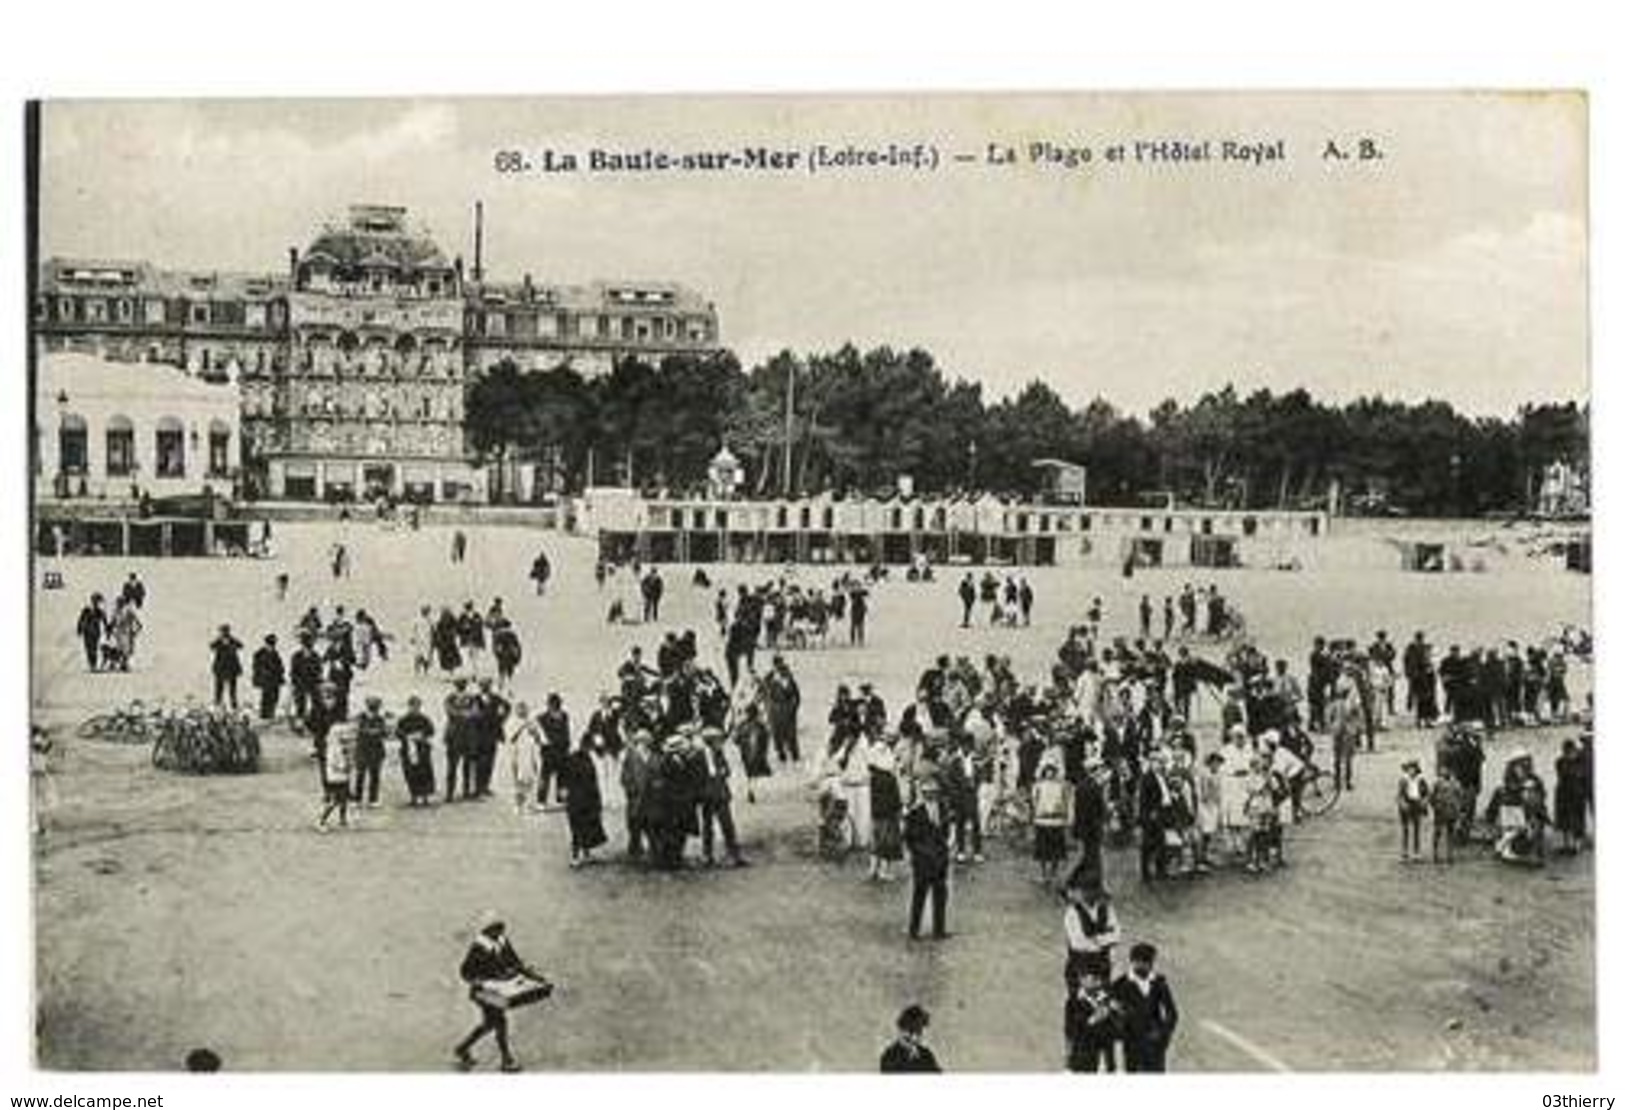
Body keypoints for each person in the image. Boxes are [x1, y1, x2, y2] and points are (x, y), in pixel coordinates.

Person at [454, 913, 551, 1073]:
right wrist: (479, 981)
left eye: (501, 927)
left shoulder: (502, 940)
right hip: (484, 992)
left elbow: (515, 962)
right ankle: (506, 1060)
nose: (500, 930)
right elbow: (465, 972)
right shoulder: (479, 948)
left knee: (490, 1023)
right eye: (496, 928)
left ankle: (463, 1047)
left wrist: (533, 977)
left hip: (501, 989)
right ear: (486, 931)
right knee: (500, 1022)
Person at [1112, 942, 1179, 1073]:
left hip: (1155, 1046)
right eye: (1138, 962)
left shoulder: (1159, 982)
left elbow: (1172, 1013)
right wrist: (1123, 1034)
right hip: (1132, 1045)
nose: (1143, 966)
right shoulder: (1120, 985)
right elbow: (1113, 1013)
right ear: (1132, 962)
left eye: (1147, 963)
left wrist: (1163, 1035)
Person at [904, 778, 952, 940]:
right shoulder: (915, 813)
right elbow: (909, 839)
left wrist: (944, 852)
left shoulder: (943, 809)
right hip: (923, 861)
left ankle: (939, 930)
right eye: (928, 793)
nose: (931, 796)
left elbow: (946, 832)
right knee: (920, 895)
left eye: (934, 792)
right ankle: (914, 930)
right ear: (923, 794)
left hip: (939, 860)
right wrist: (921, 853)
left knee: (940, 895)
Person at [698, 727, 746, 867]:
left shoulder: (719, 753)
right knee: (708, 827)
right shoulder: (699, 756)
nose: (720, 743)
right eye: (718, 740)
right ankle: (707, 855)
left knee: (727, 825)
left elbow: (727, 770)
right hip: (707, 795)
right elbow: (696, 776)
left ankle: (734, 855)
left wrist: (722, 772)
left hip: (721, 794)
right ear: (710, 741)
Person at [1063, 876, 1120, 991]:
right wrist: (1104, 937)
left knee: (1104, 1001)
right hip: (1080, 965)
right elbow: (1077, 942)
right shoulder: (1072, 913)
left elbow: (1116, 935)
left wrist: (1095, 939)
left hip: (1102, 965)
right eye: (1086, 890)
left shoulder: (1107, 909)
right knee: (1080, 1003)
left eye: (1094, 890)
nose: (1090, 894)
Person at [562, 734, 608, 866]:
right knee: (577, 829)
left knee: (588, 827)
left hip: (589, 798)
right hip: (578, 800)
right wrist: (565, 792)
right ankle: (575, 856)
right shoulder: (574, 758)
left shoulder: (589, 758)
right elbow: (566, 777)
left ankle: (586, 853)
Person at [1065, 969, 1120, 1073]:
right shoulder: (1073, 1002)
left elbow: (1117, 1031)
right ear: (1082, 979)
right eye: (1094, 978)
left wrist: (1116, 1012)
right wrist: (1093, 1020)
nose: (1098, 982)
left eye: (1100, 979)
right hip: (1083, 1057)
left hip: (1105, 1058)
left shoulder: (1106, 999)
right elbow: (1071, 1031)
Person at [868, 739, 905, 882]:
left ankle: (872, 869)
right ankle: (883, 871)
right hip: (888, 815)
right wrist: (899, 810)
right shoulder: (890, 779)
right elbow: (896, 799)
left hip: (875, 813)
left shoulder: (873, 778)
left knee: (875, 841)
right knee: (887, 843)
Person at [1032, 763, 1071, 888]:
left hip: (1056, 821)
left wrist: (1066, 817)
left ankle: (1053, 874)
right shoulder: (1038, 786)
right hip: (1042, 820)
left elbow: (1066, 802)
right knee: (1042, 850)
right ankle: (1044, 875)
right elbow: (1034, 801)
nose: (1050, 774)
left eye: (1052, 771)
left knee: (1056, 850)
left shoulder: (1061, 786)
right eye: (1047, 771)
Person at [396, 695, 438, 806]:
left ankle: (425, 797)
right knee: (410, 773)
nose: (415, 708)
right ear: (409, 706)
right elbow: (398, 732)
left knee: (424, 773)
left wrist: (421, 735)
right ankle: (413, 796)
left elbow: (431, 731)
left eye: (417, 706)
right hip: (408, 750)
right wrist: (408, 736)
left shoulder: (424, 719)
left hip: (422, 750)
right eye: (412, 706)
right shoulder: (404, 720)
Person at [317, 721, 356, 832]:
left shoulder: (342, 747)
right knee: (334, 800)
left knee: (343, 799)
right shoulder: (333, 748)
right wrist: (344, 766)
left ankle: (343, 820)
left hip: (342, 776)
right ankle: (321, 821)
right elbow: (334, 763)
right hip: (334, 777)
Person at [352, 695, 391, 807]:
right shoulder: (361, 717)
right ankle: (358, 799)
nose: (374, 710)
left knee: (374, 776)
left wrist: (374, 732)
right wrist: (373, 732)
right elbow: (359, 731)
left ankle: (373, 799)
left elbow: (384, 733)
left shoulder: (379, 719)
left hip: (375, 751)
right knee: (361, 776)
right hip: (363, 750)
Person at [880, 1005, 942, 1073]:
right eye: (910, 1031)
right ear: (901, 1029)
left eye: (918, 1031)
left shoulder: (926, 1055)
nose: (914, 1037)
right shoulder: (890, 1056)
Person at [1553, 738, 1588, 854]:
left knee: (1576, 818)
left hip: (1574, 793)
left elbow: (1581, 775)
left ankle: (1576, 844)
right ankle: (1567, 844)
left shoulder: (1577, 760)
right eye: (1567, 751)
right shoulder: (1560, 761)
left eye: (1569, 750)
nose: (1568, 753)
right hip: (1565, 793)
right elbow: (1564, 775)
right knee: (1564, 820)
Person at [1396, 758, 1430, 863]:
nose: (1411, 771)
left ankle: (1416, 852)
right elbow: (1399, 795)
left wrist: (1424, 801)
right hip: (1407, 803)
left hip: (1416, 804)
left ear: (1416, 770)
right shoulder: (1403, 780)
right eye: (1410, 769)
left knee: (1416, 829)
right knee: (1405, 829)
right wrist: (1402, 804)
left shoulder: (1421, 780)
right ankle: (1404, 852)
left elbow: (1427, 793)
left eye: (1413, 769)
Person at [251, 635, 285, 722]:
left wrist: (281, 673)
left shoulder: (275, 653)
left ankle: (271, 713)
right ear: (266, 643)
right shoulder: (260, 653)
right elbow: (256, 666)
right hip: (265, 680)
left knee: (275, 696)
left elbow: (279, 666)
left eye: (273, 644)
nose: (272, 646)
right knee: (266, 697)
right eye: (270, 643)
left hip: (274, 680)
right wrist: (262, 674)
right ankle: (264, 715)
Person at [210, 624, 244, 709]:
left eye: (225, 631)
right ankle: (218, 704)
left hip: (231, 669)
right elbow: (211, 646)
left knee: (232, 690)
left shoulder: (232, 640)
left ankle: (233, 705)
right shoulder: (218, 641)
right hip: (221, 669)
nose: (224, 633)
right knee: (219, 689)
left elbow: (240, 645)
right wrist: (220, 641)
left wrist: (231, 642)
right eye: (223, 631)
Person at [76, 594, 107, 672]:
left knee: (94, 648)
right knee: (88, 648)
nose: (96, 603)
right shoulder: (86, 610)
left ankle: (93, 665)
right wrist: (79, 629)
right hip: (87, 632)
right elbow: (80, 620)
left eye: (97, 601)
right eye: (95, 601)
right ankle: (91, 664)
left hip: (95, 633)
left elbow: (104, 620)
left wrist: (107, 628)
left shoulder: (99, 611)